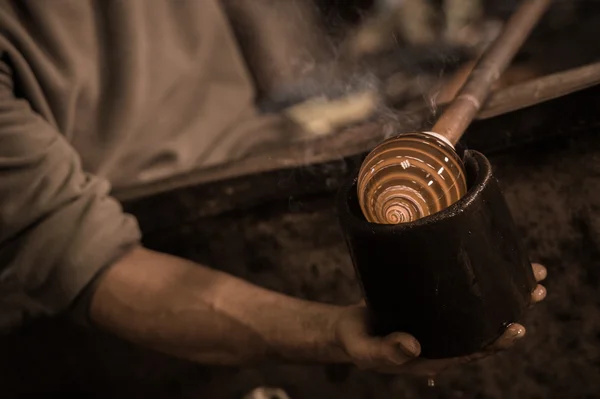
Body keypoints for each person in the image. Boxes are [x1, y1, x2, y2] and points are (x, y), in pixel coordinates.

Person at [0, 0, 547, 378]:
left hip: (284, 128)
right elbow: (87, 261)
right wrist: (330, 332)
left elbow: (294, 65)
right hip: (175, 226)